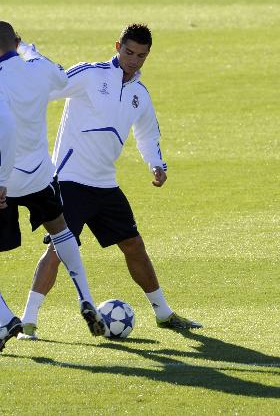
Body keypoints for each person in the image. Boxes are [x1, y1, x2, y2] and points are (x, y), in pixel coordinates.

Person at [18, 23, 201, 340]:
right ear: (118, 46)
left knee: (134, 245)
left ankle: (163, 313)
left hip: (105, 184)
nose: (134, 60)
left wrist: (156, 164)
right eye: (129, 52)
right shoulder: (90, 74)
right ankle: (28, 321)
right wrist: (27, 54)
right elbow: (51, 85)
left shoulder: (139, 95)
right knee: (59, 251)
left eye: (141, 55)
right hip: (70, 181)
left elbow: (146, 133)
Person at [0, 21, 104, 355]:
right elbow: (61, 77)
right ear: (17, 42)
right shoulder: (37, 66)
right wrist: (31, 53)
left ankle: (6, 319)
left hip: (1, 177)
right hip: (41, 173)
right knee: (60, 230)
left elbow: (6, 125)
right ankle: (86, 297)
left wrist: (2, 182)